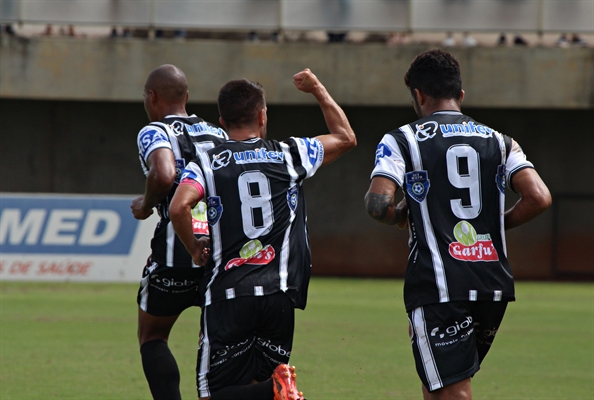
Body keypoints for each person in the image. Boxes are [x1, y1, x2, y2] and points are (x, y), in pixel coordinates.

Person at [364, 49, 551, 400]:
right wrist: (494, 227)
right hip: (491, 281)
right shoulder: (501, 141)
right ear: (460, 95)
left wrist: (399, 216)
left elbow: (377, 203)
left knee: (452, 391)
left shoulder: (402, 139)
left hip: (440, 282)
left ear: (418, 95)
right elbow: (539, 197)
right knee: (438, 384)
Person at [169, 69, 356, 400]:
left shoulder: (207, 163)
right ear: (262, 115)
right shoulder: (288, 155)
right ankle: (276, 389)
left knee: (213, 393)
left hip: (229, 295)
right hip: (278, 297)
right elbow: (345, 137)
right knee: (256, 384)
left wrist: (195, 246)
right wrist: (317, 90)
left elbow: (178, 207)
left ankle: (276, 390)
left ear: (222, 122)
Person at [131, 64, 228, 400]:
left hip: (176, 250)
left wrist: (145, 205)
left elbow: (162, 173)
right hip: (219, 252)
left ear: (151, 97)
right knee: (219, 342)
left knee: (153, 337)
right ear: (186, 97)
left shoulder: (154, 131)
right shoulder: (219, 134)